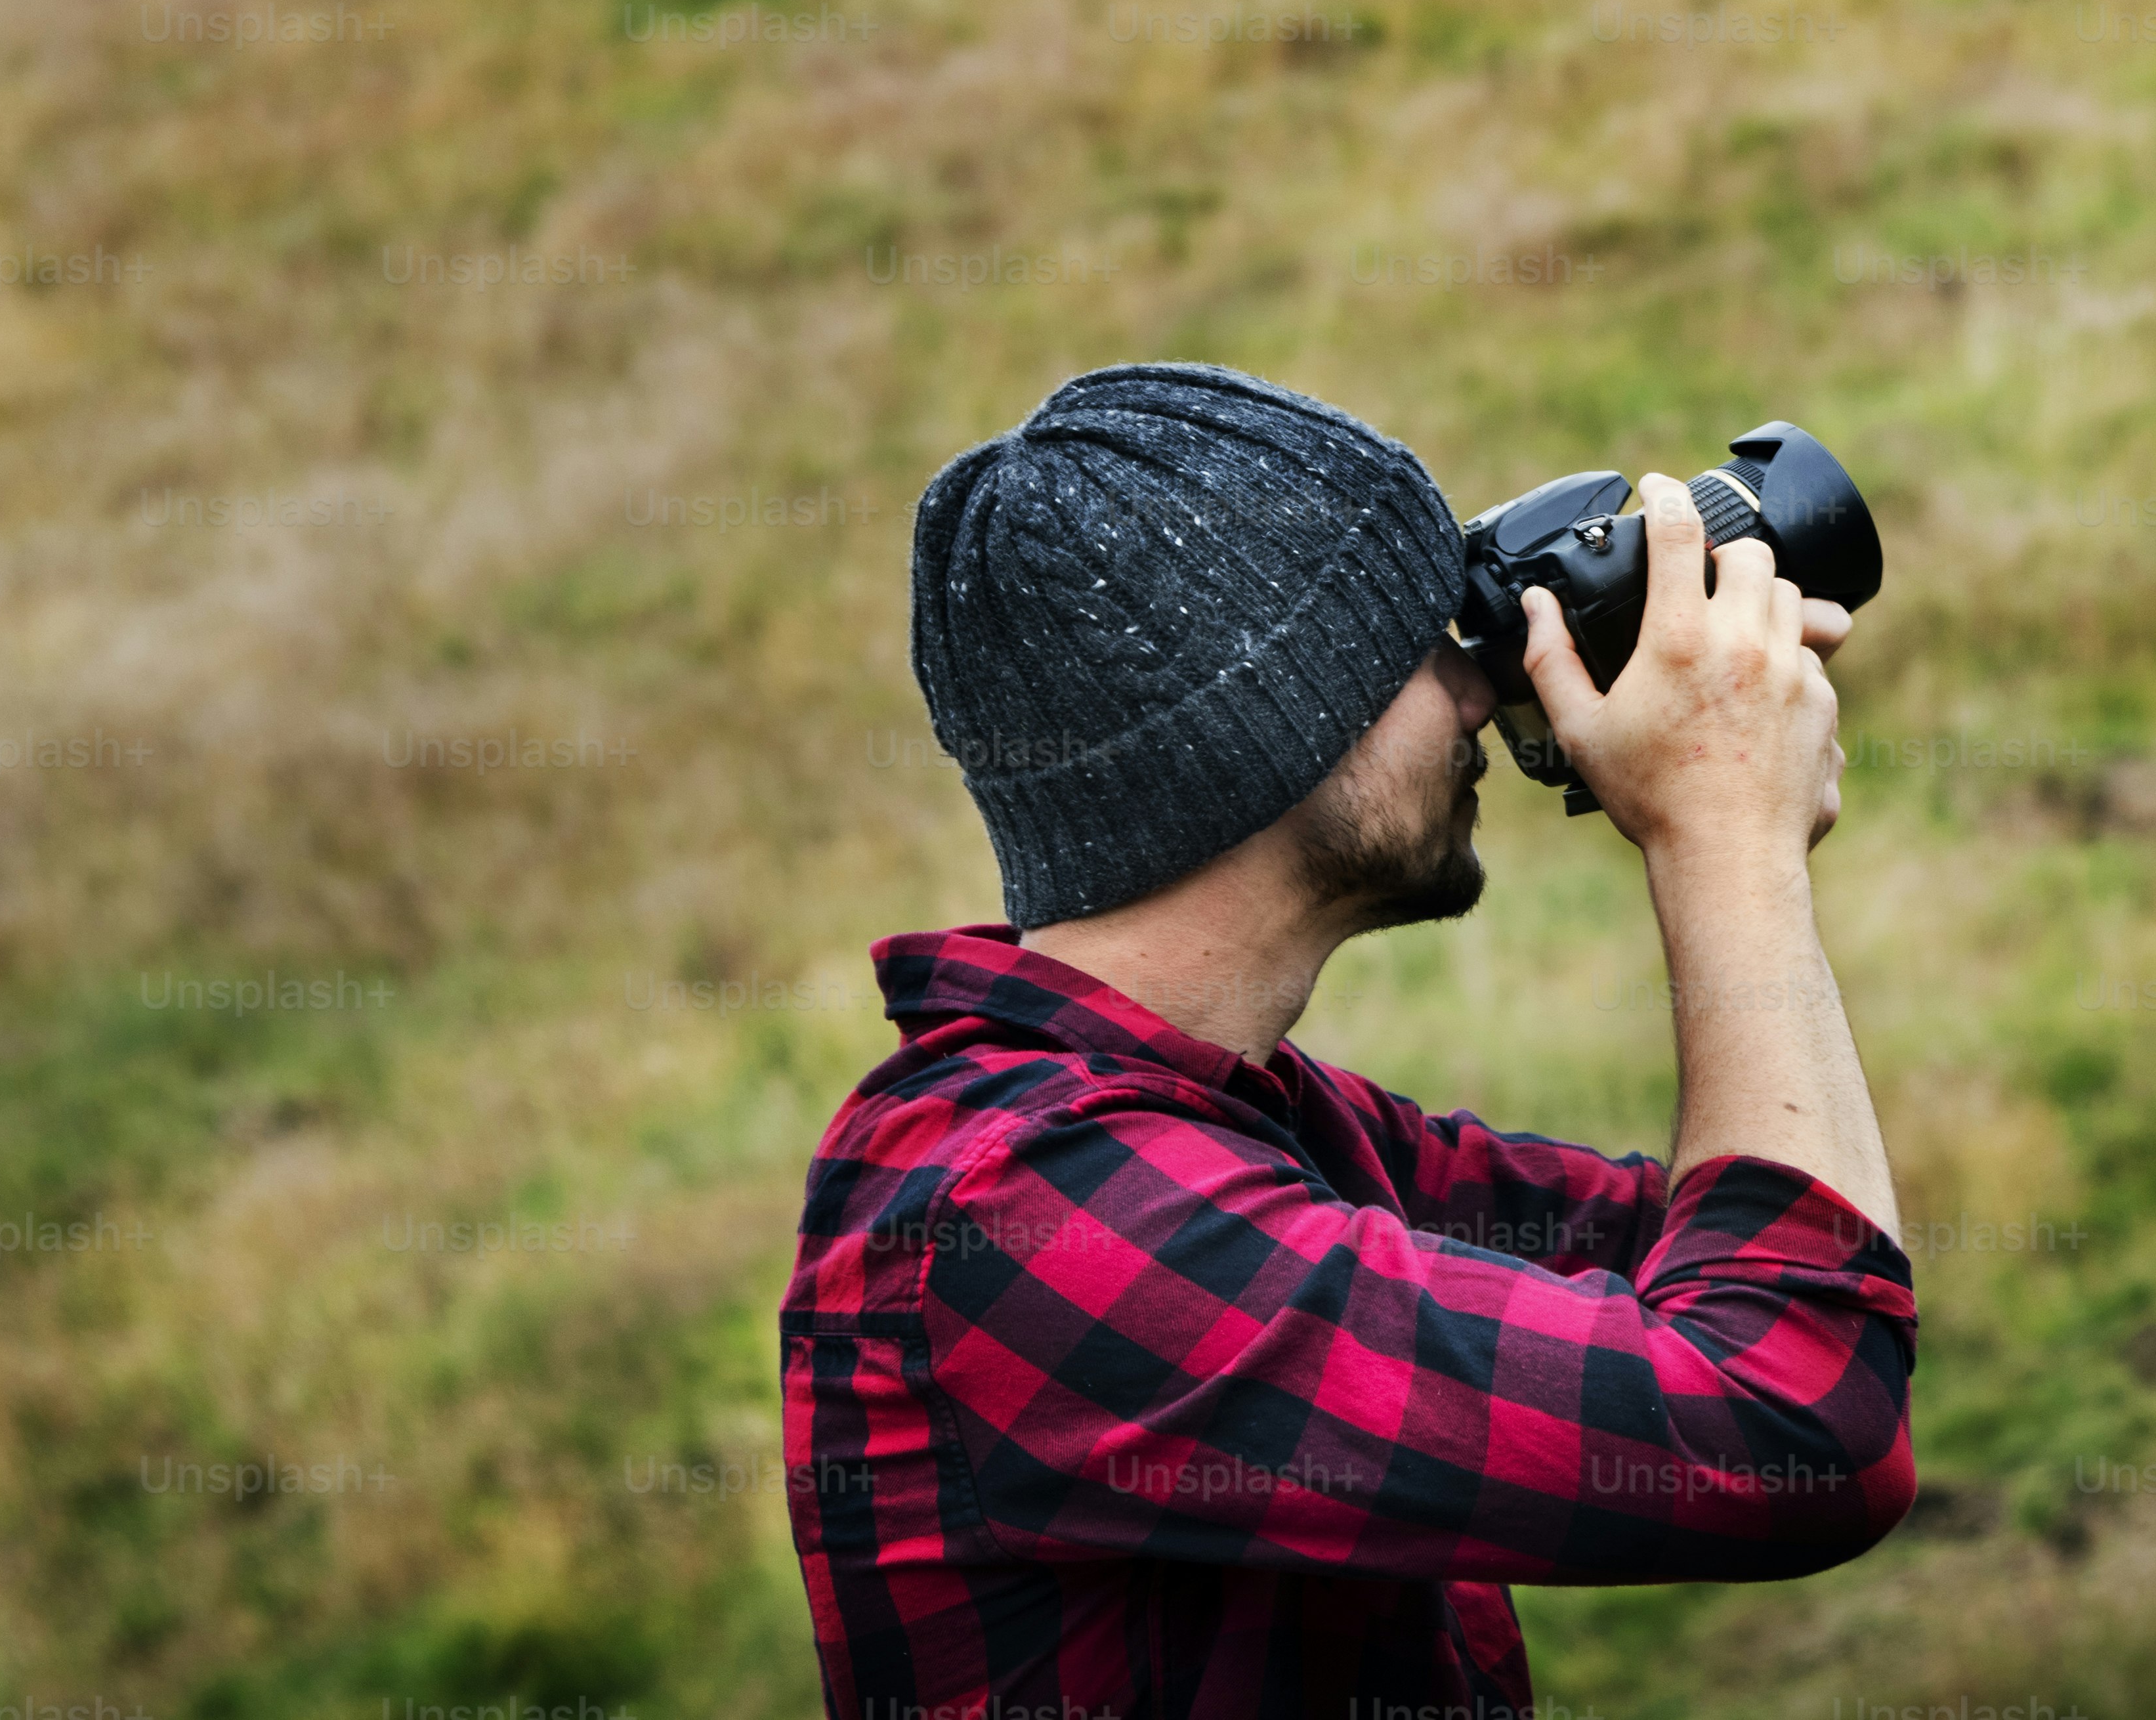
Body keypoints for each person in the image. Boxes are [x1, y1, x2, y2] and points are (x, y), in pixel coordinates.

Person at [782, 362, 1913, 1720]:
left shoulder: (1233, 1128)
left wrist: (1734, 809)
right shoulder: (1034, 1211)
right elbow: (1789, 1417)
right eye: (1420, 642)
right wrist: (1726, 838)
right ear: (1269, 728)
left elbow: (1784, 1266)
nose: (1482, 691)